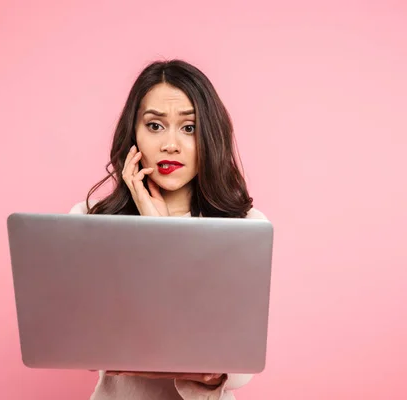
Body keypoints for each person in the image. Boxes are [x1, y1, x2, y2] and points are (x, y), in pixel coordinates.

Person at [69, 59, 268, 400]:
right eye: (155, 126)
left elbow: (239, 371)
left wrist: (163, 232)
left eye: (188, 128)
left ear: (210, 136)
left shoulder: (245, 228)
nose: (170, 145)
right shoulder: (89, 222)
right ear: (133, 133)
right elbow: (86, 343)